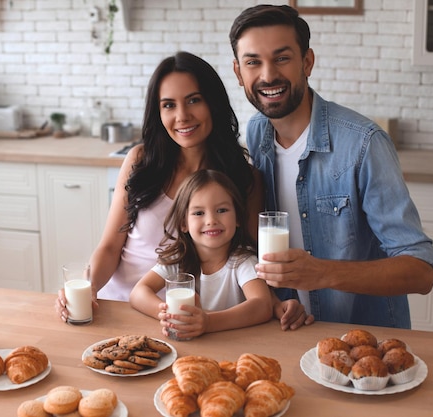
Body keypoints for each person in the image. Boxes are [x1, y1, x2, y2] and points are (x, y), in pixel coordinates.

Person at [57, 51, 311, 330]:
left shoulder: (242, 177)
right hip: (121, 309)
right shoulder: (140, 161)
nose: (182, 116)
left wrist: (277, 304)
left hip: (193, 322)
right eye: (168, 105)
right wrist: (86, 288)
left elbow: (249, 256)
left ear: (212, 103)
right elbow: (109, 247)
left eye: (193, 100)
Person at [228, 4, 433, 328]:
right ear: (238, 72)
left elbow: (421, 271)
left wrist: (321, 272)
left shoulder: (364, 144)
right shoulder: (257, 132)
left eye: (282, 58)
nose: (268, 75)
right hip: (293, 333)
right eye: (253, 62)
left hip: (363, 342)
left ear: (307, 62)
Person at [130, 169, 289, 339]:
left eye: (221, 210)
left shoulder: (242, 261)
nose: (211, 220)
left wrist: (208, 322)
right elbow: (138, 293)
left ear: (238, 218)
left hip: (234, 349)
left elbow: (262, 305)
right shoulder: (177, 260)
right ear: (184, 223)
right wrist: (168, 315)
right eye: (199, 213)